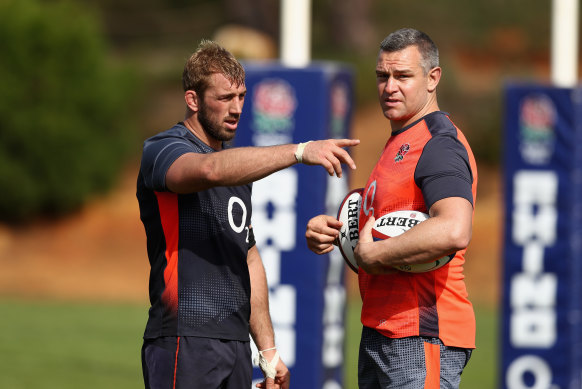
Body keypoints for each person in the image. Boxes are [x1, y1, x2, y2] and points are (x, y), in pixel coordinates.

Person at [136, 40, 359, 389]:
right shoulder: (164, 149)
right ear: (192, 100)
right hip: (185, 337)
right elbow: (208, 170)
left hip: (236, 345)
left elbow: (249, 259)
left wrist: (268, 352)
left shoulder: (238, 173)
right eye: (225, 98)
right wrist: (301, 151)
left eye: (241, 96)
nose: (237, 108)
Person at [305, 28, 478, 388]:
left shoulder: (439, 144)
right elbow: (387, 227)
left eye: (402, 76)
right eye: (382, 76)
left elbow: (453, 229)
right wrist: (337, 234)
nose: (389, 86)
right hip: (383, 329)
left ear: (433, 79)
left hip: (422, 332)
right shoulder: (399, 142)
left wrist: (376, 253)